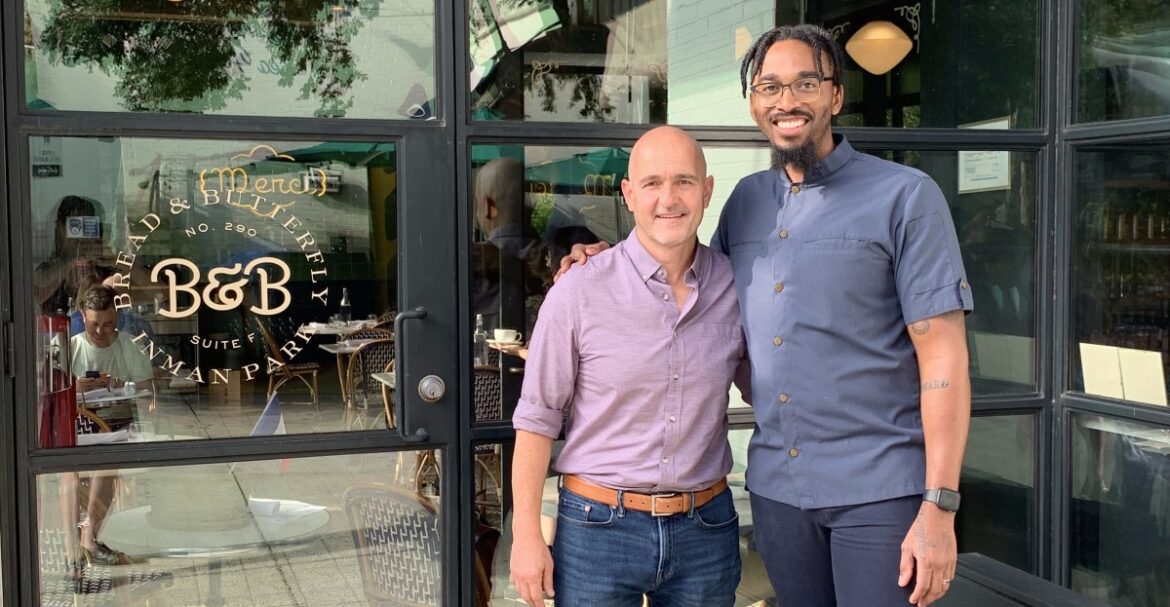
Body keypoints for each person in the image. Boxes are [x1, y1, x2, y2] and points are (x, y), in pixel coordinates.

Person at [560, 25, 973, 607]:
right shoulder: (745, 201)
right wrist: (604, 261)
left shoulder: (905, 197)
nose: (787, 101)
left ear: (835, 95)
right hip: (779, 491)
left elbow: (945, 356)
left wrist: (940, 502)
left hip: (880, 490)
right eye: (768, 86)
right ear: (753, 102)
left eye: (806, 82)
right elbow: (690, 283)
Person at [510, 126, 750, 607]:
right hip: (598, 528)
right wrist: (527, 535)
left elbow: (773, 387)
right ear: (628, 194)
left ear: (706, 191)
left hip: (706, 528)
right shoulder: (578, 291)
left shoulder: (736, 288)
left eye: (684, 182)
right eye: (652, 183)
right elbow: (537, 418)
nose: (669, 198)